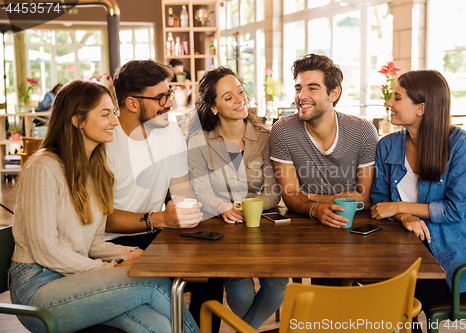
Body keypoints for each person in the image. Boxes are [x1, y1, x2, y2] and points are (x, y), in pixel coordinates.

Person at [8, 80, 199, 333]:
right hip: (37, 286)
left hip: (74, 279)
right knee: (153, 282)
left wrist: (126, 255)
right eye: (105, 114)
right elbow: (46, 250)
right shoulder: (44, 166)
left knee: (159, 326)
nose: (115, 121)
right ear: (77, 120)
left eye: (114, 113)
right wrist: (109, 269)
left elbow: (92, 242)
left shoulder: (95, 169)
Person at [370, 70, 466, 333]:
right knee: (368, 282)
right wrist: (404, 217)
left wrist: (400, 206)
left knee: (394, 294)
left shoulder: (459, 144)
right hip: (403, 250)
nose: (389, 103)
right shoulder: (388, 145)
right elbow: (380, 200)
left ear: (421, 108)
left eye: (397, 97)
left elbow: (458, 208)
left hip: (451, 258)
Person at [105, 60, 224, 332]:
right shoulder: (106, 141)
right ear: (132, 103)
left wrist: (189, 209)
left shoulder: (169, 131)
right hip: (109, 242)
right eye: (161, 97)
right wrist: (161, 218)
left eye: (169, 94)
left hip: (155, 232)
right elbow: (99, 220)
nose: (169, 103)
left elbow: (181, 190)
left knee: (211, 272)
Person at [185, 66, 287, 330]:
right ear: (213, 107)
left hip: (262, 228)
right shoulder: (198, 141)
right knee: (241, 294)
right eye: (228, 97)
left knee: (277, 289)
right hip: (223, 231)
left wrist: (245, 207)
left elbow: (274, 192)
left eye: (240, 91)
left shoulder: (265, 136)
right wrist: (221, 207)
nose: (239, 99)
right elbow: (201, 190)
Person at [271, 54, 378, 228]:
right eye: (298, 89)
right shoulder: (283, 129)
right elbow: (290, 195)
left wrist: (311, 197)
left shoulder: (363, 131)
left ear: (333, 93)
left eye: (312, 88)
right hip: (306, 224)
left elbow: (365, 198)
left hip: (355, 223)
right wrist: (315, 209)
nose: (301, 96)